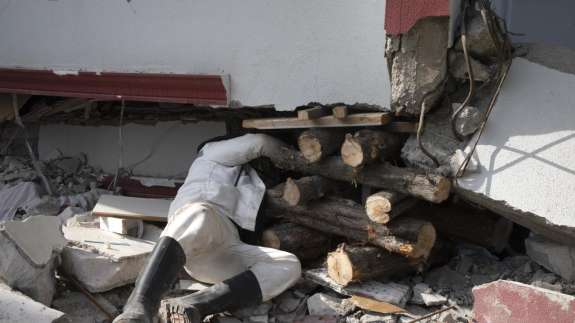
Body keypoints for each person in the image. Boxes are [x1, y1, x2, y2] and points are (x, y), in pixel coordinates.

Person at [113, 133, 302, 323]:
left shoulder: (253, 181)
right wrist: (297, 159)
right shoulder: (212, 152)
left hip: (222, 250)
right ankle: (138, 308)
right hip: (197, 230)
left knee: (289, 265)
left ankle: (192, 305)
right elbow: (259, 142)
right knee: (199, 215)